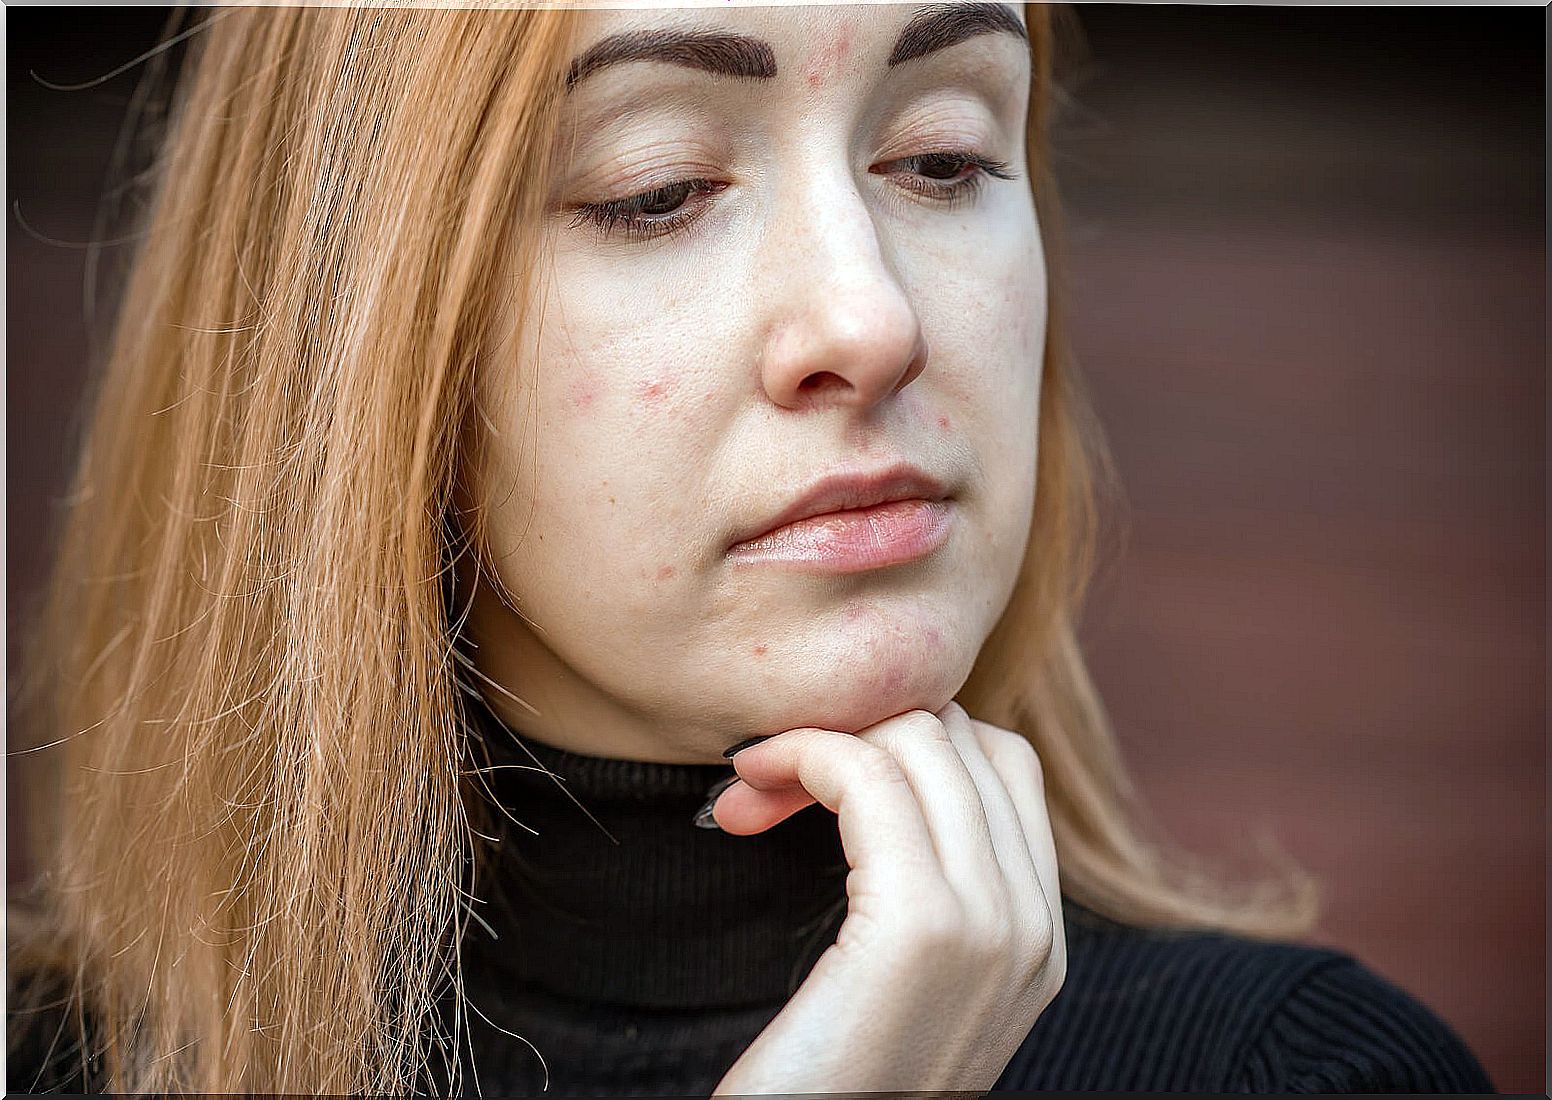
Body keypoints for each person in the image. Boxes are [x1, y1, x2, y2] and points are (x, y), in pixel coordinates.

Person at [6, 3, 1497, 1096]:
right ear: (358, 344)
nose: (871, 320)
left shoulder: (1295, 1078)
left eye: (938, 155)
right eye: (657, 187)